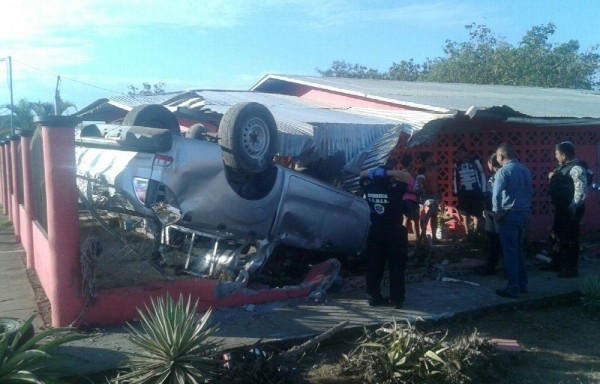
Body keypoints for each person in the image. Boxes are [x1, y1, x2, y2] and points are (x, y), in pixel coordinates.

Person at [359, 158, 411, 308]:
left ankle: (373, 297)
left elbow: (362, 175)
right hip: (394, 232)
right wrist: (388, 172)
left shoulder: (369, 189)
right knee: (396, 267)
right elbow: (406, 176)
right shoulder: (394, 190)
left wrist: (376, 172)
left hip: (376, 231)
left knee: (374, 265)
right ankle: (397, 299)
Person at [492, 143, 533, 298]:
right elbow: (530, 192)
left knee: (509, 252)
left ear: (501, 156)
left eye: (497, 156)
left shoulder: (503, 172)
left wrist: (497, 213)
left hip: (509, 214)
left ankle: (513, 288)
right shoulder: (525, 170)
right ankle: (523, 284)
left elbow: (496, 195)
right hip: (523, 214)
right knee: (518, 251)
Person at [544, 141, 588, 278]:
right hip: (561, 208)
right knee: (557, 236)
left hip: (570, 210)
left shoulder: (576, 169)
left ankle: (571, 268)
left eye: (556, 154)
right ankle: (556, 263)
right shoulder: (562, 167)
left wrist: (572, 209)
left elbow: (581, 193)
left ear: (563, 155)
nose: (555, 156)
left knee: (570, 239)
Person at [453, 146, 486, 238]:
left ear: (466, 153)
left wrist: (483, 190)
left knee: (477, 213)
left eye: (460, 153)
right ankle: (468, 234)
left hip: (476, 191)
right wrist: (456, 191)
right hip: (464, 192)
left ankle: (476, 232)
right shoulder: (457, 165)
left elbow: (482, 175)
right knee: (465, 214)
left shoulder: (475, 162)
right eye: (457, 153)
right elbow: (455, 178)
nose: (458, 155)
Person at [481, 153, 502, 275]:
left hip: (497, 213)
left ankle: (495, 266)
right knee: (493, 239)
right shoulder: (493, 176)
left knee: (497, 240)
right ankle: (491, 266)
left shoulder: (500, 176)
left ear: (491, 163)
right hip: (491, 212)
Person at [418, 152, 441, 244]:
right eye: (430, 157)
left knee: (434, 215)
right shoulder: (422, 169)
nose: (432, 158)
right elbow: (419, 182)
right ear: (426, 159)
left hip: (435, 195)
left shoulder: (433, 168)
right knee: (426, 215)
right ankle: (423, 234)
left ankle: (434, 237)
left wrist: (439, 193)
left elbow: (436, 181)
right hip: (426, 196)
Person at [400, 154, 421, 242]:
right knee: (408, 218)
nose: (414, 162)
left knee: (416, 219)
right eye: (412, 160)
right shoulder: (403, 173)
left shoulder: (413, 173)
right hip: (406, 199)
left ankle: (418, 239)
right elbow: (403, 187)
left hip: (414, 198)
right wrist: (414, 192)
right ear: (409, 162)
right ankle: (403, 238)